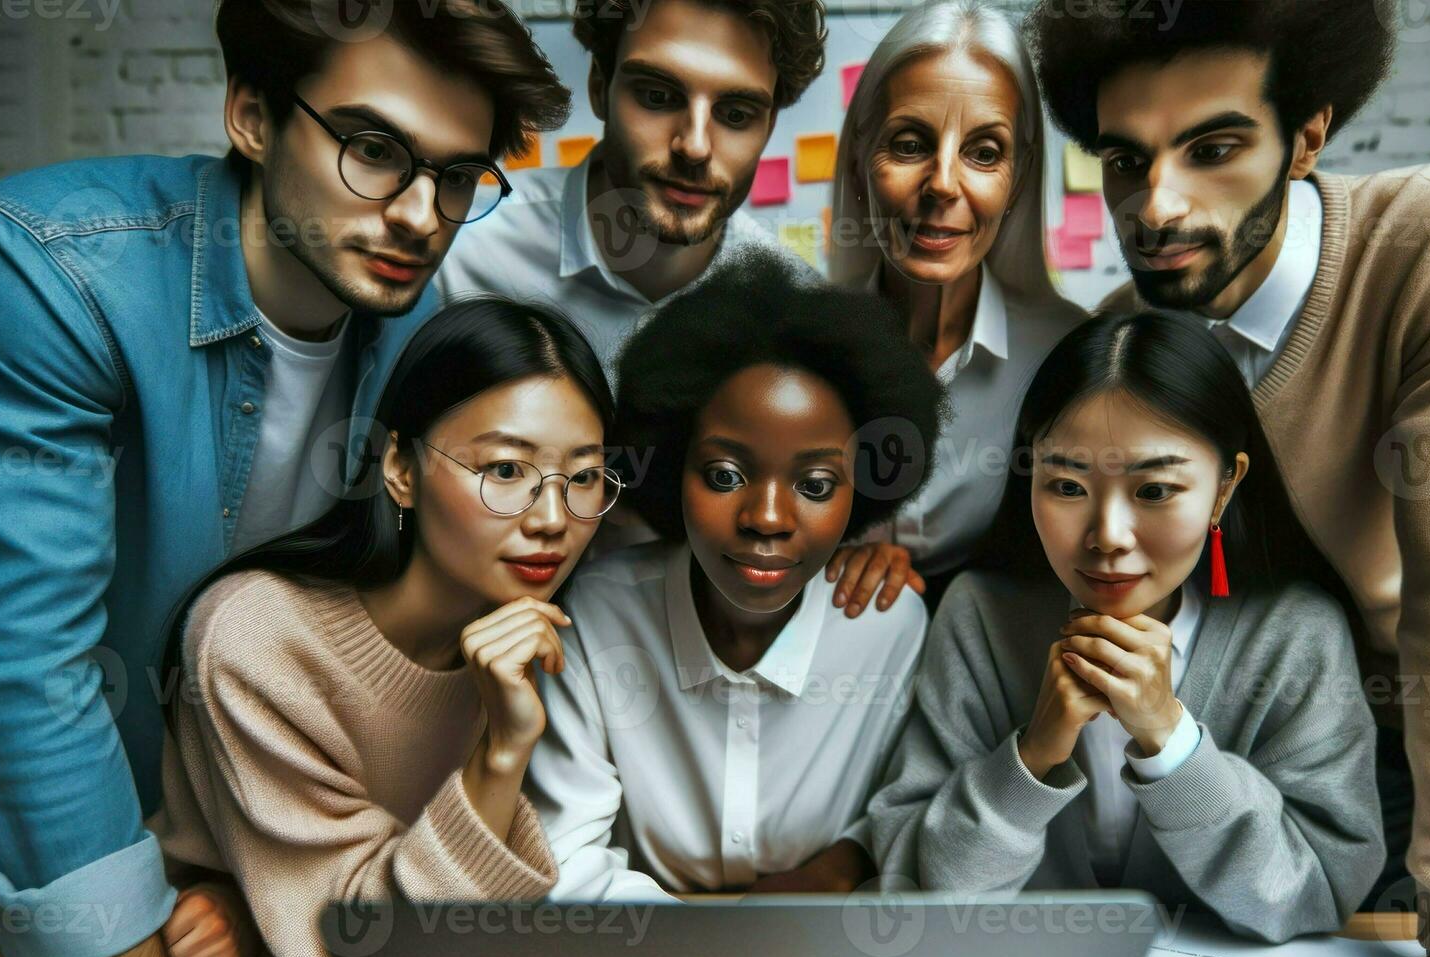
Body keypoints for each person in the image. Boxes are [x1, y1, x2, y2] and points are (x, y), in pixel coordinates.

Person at [1027, 0, 1430, 957]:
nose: (1155, 207)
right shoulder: (1129, 335)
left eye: (1212, 147)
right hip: (1333, 693)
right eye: (1123, 161)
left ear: (1305, 136)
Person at [0, 0, 570, 957]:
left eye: (455, 177)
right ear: (250, 113)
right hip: (29, 842)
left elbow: (356, 644)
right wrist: (124, 938)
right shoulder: (52, 269)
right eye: (372, 149)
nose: (418, 214)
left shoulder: (416, 326)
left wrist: (265, 888)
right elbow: (20, 669)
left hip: (233, 854)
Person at [865, 310, 1383, 942]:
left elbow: (1320, 893)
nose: (1107, 536)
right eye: (1066, 484)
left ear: (1224, 489)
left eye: (1155, 491)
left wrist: (1170, 738)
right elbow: (917, 892)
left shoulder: (1296, 634)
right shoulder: (979, 615)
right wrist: (1033, 755)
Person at [147, 298, 620, 957]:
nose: (553, 519)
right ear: (399, 468)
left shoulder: (552, 624)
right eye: (506, 471)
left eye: (582, 477)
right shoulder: (257, 640)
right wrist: (502, 751)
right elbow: (377, 949)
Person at [526, 250, 948, 899]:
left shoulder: (886, 626)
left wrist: (845, 864)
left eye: (813, 483)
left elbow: (906, 819)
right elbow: (566, 867)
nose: (767, 518)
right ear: (670, 467)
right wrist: (729, 938)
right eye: (725, 476)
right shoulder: (598, 616)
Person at [824, 0, 1083, 618]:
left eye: (984, 153)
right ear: (860, 157)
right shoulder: (794, 345)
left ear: (1018, 178)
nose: (943, 184)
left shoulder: (1070, 356)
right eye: (910, 144)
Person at [435, 0, 828, 381]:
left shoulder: (800, 311)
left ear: (770, 126)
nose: (694, 146)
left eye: (737, 115)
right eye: (657, 96)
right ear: (598, 87)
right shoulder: (460, 254)